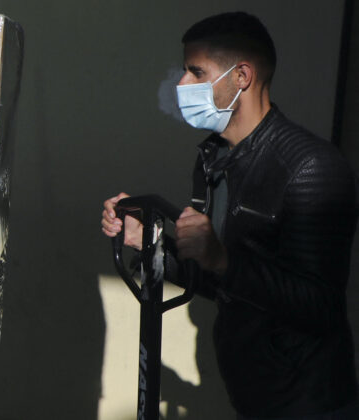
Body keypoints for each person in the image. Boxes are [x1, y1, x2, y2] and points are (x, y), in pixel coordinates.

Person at [101, 12, 359, 420]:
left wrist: (223, 258)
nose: (181, 84)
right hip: (253, 397)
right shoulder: (214, 158)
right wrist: (146, 242)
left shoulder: (311, 167)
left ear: (241, 76)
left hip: (310, 403)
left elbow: (320, 306)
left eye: (195, 71)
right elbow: (217, 279)